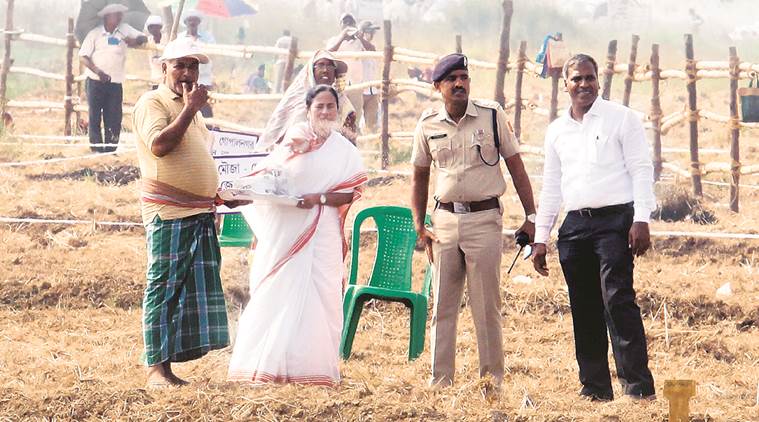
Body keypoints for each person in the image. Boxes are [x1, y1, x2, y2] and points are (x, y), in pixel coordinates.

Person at [532, 54, 656, 402]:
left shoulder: (622, 119)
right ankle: (595, 388)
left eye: (589, 78)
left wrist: (641, 218)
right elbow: (551, 187)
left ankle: (638, 388)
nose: (584, 84)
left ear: (598, 80)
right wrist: (541, 238)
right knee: (583, 306)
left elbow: (641, 169)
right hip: (574, 227)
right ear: (566, 84)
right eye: (576, 79)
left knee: (618, 300)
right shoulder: (557, 130)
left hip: (615, 221)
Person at [410, 53, 537, 389]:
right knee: (443, 307)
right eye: (451, 79)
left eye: (464, 77)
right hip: (445, 222)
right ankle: (440, 382)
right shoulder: (427, 125)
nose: (459, 84)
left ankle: (491, 383)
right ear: (438, 86)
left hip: (484, 220)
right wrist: (419, 226)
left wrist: (531, 216)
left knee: (486, 309)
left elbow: (516, 166)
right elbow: (419, 177)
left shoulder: (492, 116)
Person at [228, 84, 367, 386]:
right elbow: (270, 177)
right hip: (287, 231)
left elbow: (350, 193)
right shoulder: (294, 140)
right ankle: (267, 365)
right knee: (278, 290)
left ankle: (311, 369)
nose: (326, 112)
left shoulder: (344, 150)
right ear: (308, 110)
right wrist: (238, 192)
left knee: (322, 295)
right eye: (320, 106)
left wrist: (319, 198)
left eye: (331, 106)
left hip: (323, 232)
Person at [133, 39, 240, 388]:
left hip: (197, 212)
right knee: (163, 287)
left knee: (184, 292)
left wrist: (221, 194)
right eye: (180, 65)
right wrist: (191, 108)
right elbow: (160, 146)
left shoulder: (189, 110)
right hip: (169, 212)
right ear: (163, 68)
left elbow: (201, 156)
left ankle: (168, 368)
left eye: (193, 66)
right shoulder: (154, 102)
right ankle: (155, 370)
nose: (188, 73)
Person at [79, 4, 147, 153]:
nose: (119, 17)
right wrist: (98, 71)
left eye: (120, 14)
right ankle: (97, 149)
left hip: (115, 81)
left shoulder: (125, 29)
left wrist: (135, 41)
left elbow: (143, 37)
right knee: (95, 115)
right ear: (106, 17)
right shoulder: (95, 34)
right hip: (95, 80)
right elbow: (83, 56)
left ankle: (110, 148)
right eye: (115, 15)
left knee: (114, 115)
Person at [257, 49, 357, 150]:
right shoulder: (298, 98)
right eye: (321, 65)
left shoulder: (343, 103)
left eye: (330, 65)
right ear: (311, 72)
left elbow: (351, 139)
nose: (325, 70)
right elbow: (280, 134)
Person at [326, 15, 380, 133]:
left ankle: (355, 142)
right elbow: (327, 53)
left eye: (351, 22)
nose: (348, 24)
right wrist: (342, 37)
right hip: (339, 84)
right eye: (345, 22)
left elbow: (372, 51)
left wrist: (360, 38)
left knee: (355, 116)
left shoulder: (359, 42)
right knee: (339, 115)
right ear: (341, 25)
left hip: (356, 85)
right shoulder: (334, 40)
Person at [178, 10, 215, 117]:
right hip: (186, 76)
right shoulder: (180, 38)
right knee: (185, 103)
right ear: (185, 22)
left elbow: (212, 54)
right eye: (190, 20)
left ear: (198, 22)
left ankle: (207, 128)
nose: (192, 23)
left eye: (195, 20)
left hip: (204, 77)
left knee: (204, 104)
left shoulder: (208, 38)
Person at [144, 15, 164, 89]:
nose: (151, 29)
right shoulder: (147, 41)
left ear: (160, 27)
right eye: (150, 27)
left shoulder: (167, 39)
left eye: (153, 26)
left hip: (166, 80)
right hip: (154, 79)